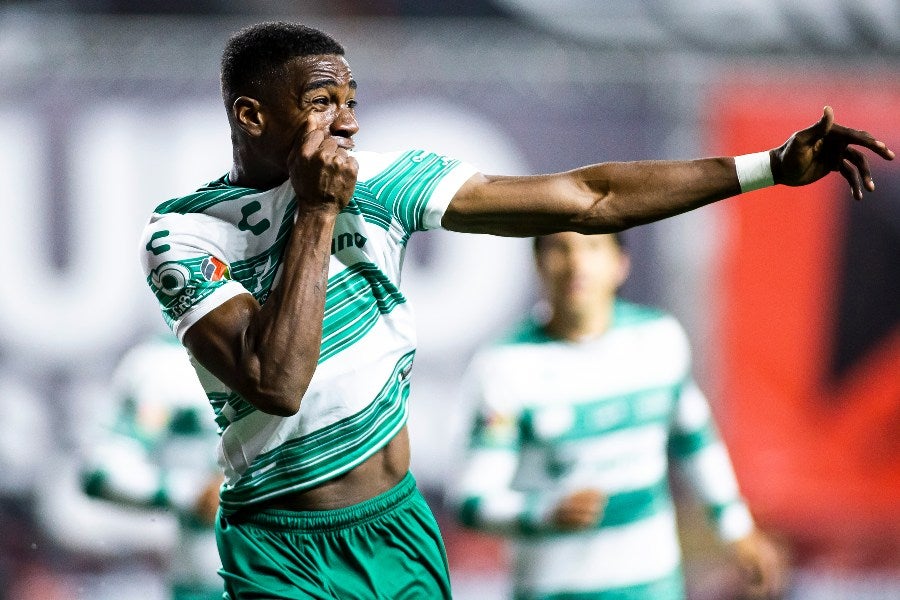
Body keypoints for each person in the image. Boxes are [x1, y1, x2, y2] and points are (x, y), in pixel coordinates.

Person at [137, 20, 892, 600]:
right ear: (253, 114)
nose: (347, 124)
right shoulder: (187, 235)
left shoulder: (385, 185)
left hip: (396, 530)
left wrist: (767, 167)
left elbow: (585, 197)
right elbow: (277, 380)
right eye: (319, 103)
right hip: (279, 542)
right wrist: (315, 213)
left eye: (351, 103)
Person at [450, 231, 786, 600]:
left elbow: (694, 440)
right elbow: (470, 499)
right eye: (561, 249)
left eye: (593, 247)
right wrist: (542, 512)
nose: (577, 263)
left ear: (621, 263)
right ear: (537, 263)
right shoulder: (505, 366)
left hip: (655, 588)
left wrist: (737, 528)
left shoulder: (658, 339)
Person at [81, 334, 223, 600]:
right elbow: (102, 470)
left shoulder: (317, 343)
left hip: (309, 574)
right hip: (207, 584)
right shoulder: (164, 365)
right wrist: (193, 493)